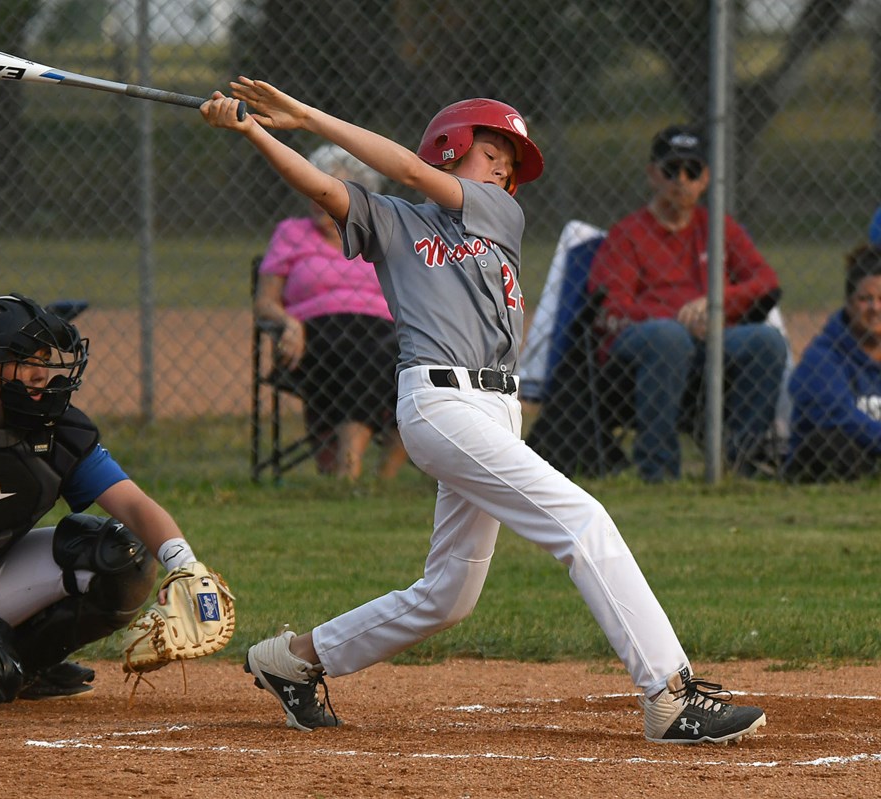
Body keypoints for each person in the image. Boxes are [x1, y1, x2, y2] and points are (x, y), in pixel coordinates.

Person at [200, 81, 766, 744]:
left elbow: (407, 170)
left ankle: (292, 659)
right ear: (451, 146)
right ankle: (669, 694)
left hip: (496, 407)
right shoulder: (393, 220)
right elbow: (324, 189)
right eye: (492, 149)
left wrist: (304, 114)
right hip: (438, 402)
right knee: (581, 518)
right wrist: (256, 132)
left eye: (511, 160)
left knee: (447, 596)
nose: (505, 167)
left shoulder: (498, 214)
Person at [0, 293, 210, 704]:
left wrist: (186, 566)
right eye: (23, 359)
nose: (40, 373)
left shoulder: (57, 431)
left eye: (43, 359)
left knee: (124, 556)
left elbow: (133, 504)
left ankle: (24, 665)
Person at [588, 124, 787, 482]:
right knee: (668, 337)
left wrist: (718, 301)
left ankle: (739, 462)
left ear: (706, 178)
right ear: (653, 174)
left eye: (692, 170)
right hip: (644, 351)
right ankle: (659, 470)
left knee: (766, 341)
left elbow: (766, 281)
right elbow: (613, 308)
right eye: (671, 169)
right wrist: (678, 320)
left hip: (712, 340)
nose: (681, 179)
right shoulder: (627, 234)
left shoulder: (718, 227)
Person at [256, 144, 408, 481]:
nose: (318, 197)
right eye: (314, 187)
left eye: (329, 190)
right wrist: (288, 322)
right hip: (316, 333)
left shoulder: (380, 236)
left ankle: (370, 475)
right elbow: (265, 302)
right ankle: (352, 472)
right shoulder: (291, 234)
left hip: (382, 331)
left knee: (394, 356)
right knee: (362, 354)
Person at [783, 244, 881, 481]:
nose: (875, 308)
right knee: (830, 443)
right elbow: (840, 417)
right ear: (848, 305)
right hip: (842, 454)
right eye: (865, 299)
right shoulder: (823, 356)